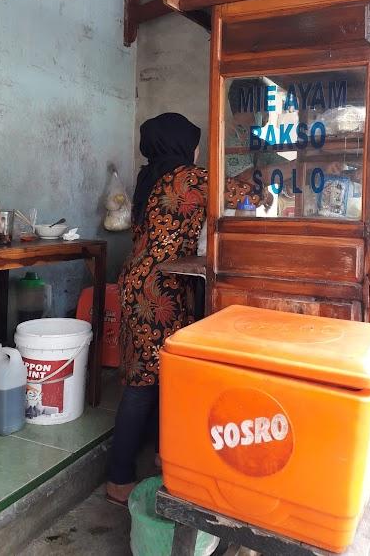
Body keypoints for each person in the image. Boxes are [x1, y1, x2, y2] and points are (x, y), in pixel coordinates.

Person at [106, 113, 258, 505]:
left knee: (153, 377)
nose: (194, 151)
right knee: (146, 385)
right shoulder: (188, 177)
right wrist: (267, 183)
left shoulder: (148, 178)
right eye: (192, 143)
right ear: (180, 145)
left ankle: (157, 462)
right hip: (160, 289)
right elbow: (245, 194)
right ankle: (120, 478)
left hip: (140, 283)